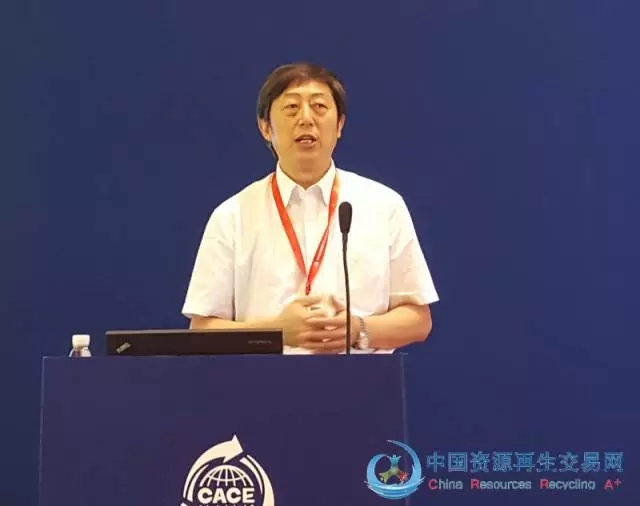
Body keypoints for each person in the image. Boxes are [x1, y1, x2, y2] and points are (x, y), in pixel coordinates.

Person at [181, 62, 439, 354]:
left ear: (339, 125)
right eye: (291, 108)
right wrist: (277, 332)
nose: (306, 119)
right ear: (265, 127)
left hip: (360, 379)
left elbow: (418, 320)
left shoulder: (383, 205)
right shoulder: (231, 216)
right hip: (260, 380)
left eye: (319, 107)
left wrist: (358, 329)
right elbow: (202, 330)